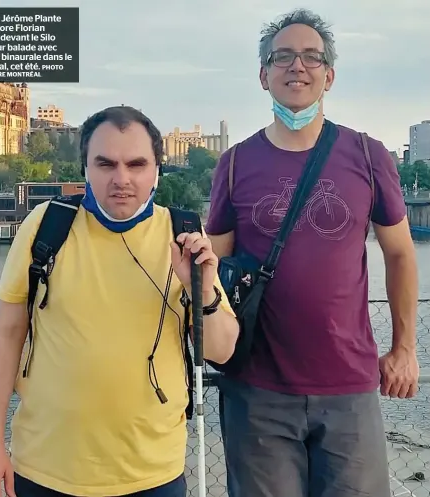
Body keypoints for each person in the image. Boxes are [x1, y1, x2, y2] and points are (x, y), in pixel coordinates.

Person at [205, 9, 419, 497]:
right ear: (263, 75)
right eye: (282, 56)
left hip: (349, 386)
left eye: (310, 57)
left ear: (330, 75)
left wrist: (405, 349)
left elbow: (402, 255)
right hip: (256, 391)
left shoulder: (368, 155)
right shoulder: (235, 164)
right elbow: (211, 274)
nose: (296, 66)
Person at [0, 105, 240, 497]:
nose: (122, 180)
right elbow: (5, 336)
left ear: (157, 170)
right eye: (105, 164)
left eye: (136, 164)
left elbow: (222, 350)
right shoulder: (45, 226)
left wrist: (200, 291)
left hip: (152, 476)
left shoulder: (184, 234)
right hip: (44, 470)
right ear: (85, 167)